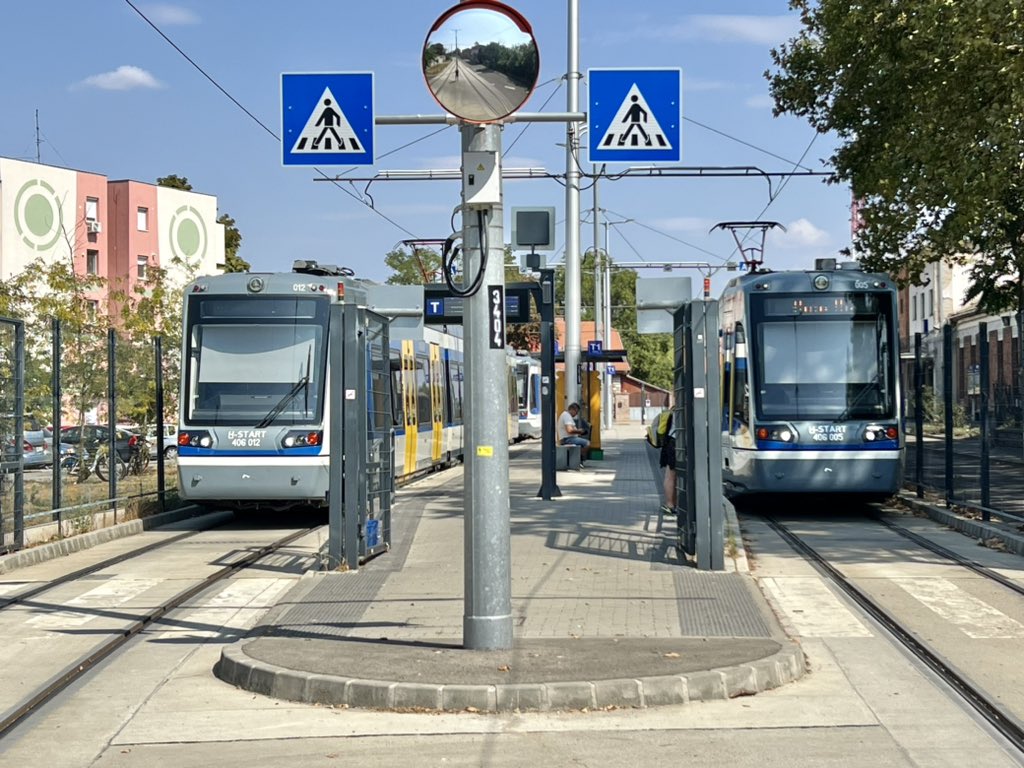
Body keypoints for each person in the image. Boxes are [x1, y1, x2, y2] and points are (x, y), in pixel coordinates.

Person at [659, 409, 676, 515]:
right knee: (671, 475)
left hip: (671, 440)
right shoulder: (684, 408)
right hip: (676, 442)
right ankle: (671, 504)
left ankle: (671, 504)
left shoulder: (674, 409)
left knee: (670, 475)